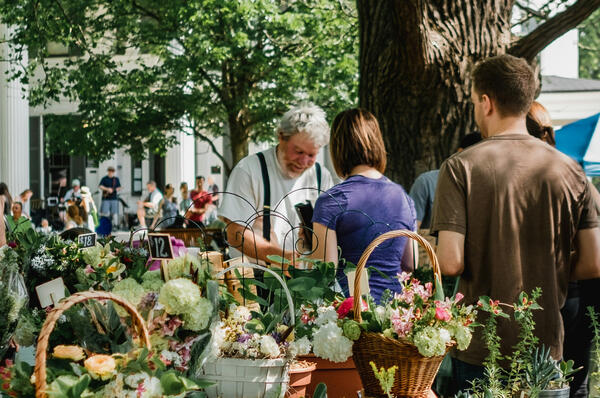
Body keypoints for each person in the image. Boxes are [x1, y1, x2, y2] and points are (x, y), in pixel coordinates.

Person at [431, 54, 600, 392]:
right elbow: (594, 261)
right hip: (547, 347)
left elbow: (450, 262)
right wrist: (548, 272)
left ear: (486, 101)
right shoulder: (570, 170)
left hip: (481, 348)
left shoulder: (460, 167)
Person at [526, 100, 599, 398]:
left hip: (558, 295)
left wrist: (548, 269)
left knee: (537, 381)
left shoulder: (530, 178)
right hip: (581, 294)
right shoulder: (576, 175)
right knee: (575, 383)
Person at [311, 108, 416, 302]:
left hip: (353, 313)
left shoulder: (332, 200)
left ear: (338, 148)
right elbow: (409, 263)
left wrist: (309, 244)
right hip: (397, 314)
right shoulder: (404, 198)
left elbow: (325, 273)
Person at [219, 102, 334, 264]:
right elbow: (235, 233)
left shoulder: (322, 176)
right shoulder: (249, 170)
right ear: (281, 136)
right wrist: (278, 257)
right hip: (255, 279)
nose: (303, 161)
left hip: (307, 282)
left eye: (311, 154)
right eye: (298, 151)